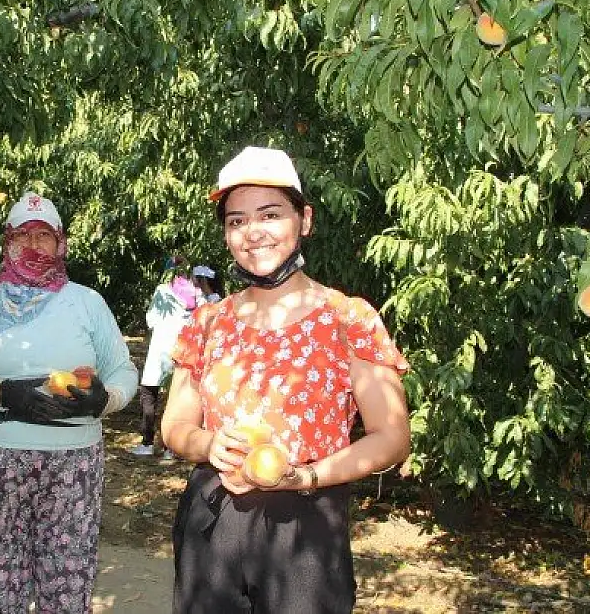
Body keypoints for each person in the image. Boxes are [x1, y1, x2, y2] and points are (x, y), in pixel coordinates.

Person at [161, 146, 411, 614]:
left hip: (306, 522)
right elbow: (174, 424)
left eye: (270, 214)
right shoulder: (208, 322)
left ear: (305, 219)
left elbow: (392, 436)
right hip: (212, 516)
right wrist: (206, 444)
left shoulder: (347, 318)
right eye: (236, 221)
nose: (252, 233)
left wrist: (305, 475)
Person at [0, 190, 139, 613]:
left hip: (73, 465)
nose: (33, 245)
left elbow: (123, 370)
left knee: (65, 584)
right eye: (23, 236)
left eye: (44, 236)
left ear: (61, 244)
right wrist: (3, 394)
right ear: (7, 243)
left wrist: (105, 400)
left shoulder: (87, 302)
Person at [129, 264, 199, 458]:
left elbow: (151, 319)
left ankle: (147, 442)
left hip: (159, 350)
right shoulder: (197, 292)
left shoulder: (162, 290)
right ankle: (171, 447)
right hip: (180, 352)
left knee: (149, 396)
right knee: (174, 399)